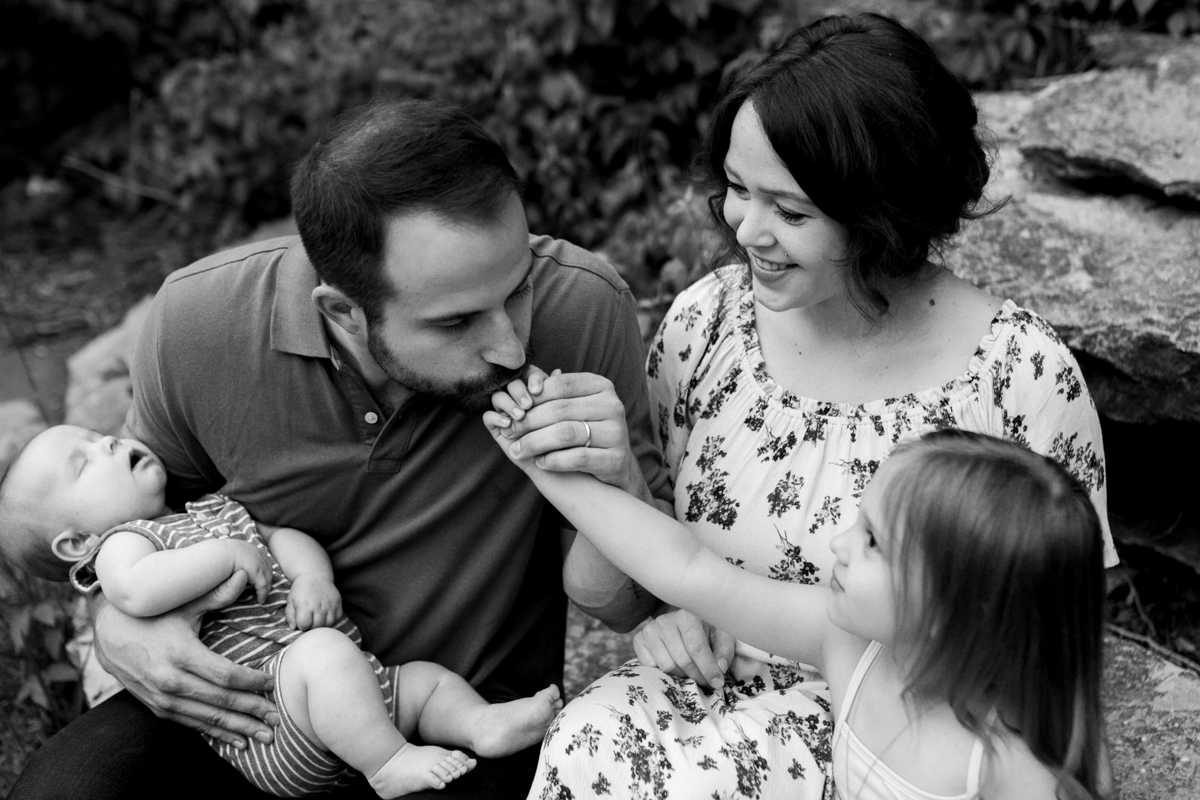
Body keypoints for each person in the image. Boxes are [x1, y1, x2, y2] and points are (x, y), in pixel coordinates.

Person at [494, 12, 1116, 798]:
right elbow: (675, 570)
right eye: (737, 190)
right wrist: (594, 489)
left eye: (791, 212)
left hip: (905, 732)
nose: (747, 228)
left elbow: (1054, 648)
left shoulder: (1019, 375)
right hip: (704, 705)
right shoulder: (705, 324)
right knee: (591, 740)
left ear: (882, 213)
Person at [8, 97, 671, 799]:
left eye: (519, 289)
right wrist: (117, 625)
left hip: (457, 717)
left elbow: (632, 607)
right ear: (342, 312)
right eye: (455, 321)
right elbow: (130, 525)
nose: (510, 345)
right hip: (251, 717)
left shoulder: (582, 309)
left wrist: (616, 481)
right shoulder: (196, 326)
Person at [484, 420, 1110, 799]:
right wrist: (543, 469)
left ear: (952, 604)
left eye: (872, 542)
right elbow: (690, 571)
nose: (839, 543)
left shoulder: (1010, 766)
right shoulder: (851, 650)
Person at [0, 424, 564, 797]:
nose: (106, 443)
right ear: (77, 545)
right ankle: (389, 765)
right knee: (323, 655)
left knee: (426, 684)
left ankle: (479, 725)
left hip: (352, 688)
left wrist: (311, 575)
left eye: (99, 436)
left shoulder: (210, 509)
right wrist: (222, 555)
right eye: (84, 462)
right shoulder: (125, 544)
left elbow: (279, 535)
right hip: (272, 719)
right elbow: (134, 593)